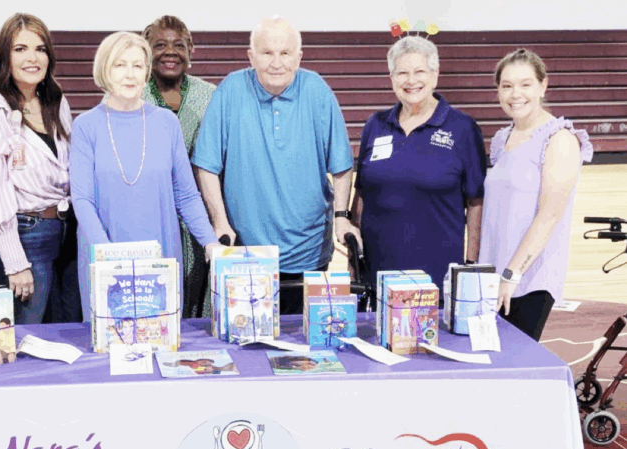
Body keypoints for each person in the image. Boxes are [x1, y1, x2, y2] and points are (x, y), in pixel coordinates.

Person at [192, 16, 358, 315]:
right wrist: (219, 221)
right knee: (246, 337)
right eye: (267, 53)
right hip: (246, 251)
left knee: (303, 339)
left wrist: (342, 217)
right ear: (251, 56)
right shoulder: (230, 90)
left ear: (299, 57)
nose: (277, 63)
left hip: (309, 250)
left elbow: (342, 166)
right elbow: (206, 166)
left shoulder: (317, 91)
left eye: (285, 53)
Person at [70, 32, 219, 322]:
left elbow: (187, 195)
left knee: (161, 339)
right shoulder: (86, 126)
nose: (130, 74)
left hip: (161, 255)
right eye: (120, 65)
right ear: (104, 69)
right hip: (105, 255)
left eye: (138, 66)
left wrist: (210, 242)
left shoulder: (167, 122)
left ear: (147, 72)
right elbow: (83, 200)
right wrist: (109, 258)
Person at [350, 36, 487, 308]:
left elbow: (476, 202)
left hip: (435, 276)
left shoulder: (463, 128)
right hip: (377, 276)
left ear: (435, 75)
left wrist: (470, 265)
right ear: (392, 78)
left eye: (419, 71)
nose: (411, 80)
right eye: (402, 73)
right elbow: (361, 194)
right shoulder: (375, 124)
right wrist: (355, 261)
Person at [0, 13, 80, 325]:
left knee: (62, 333)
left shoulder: (55, 101)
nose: (32, 58)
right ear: (5, 56)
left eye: (40, 49)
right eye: (20, 49)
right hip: (22, 236)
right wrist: (15, 263)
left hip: (63, 234)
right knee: (23, 338)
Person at [479, 49, 594, 341]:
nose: (515, 94)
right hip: (493, 276)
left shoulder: (560, 139)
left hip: (527, 281)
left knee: (516, 361)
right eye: (507, 86)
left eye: (525, 84)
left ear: (543, 86)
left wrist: (511, 275)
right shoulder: (502, 138)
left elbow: (550, 214)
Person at [141, 15, 218, 318]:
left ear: (191, 50)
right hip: (150, 216)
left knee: (199, 301)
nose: (170, 52)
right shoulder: (131, 93)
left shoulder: (210, 95)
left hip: (199, 215)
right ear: (146, 50)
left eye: (179, 45)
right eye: (160, 45)